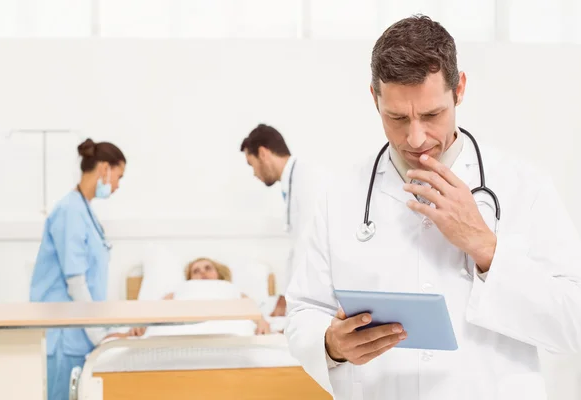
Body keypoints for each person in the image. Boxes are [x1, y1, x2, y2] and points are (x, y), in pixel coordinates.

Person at [284, 15, 581, 400]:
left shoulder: (525, 187)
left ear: (459, 89)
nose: (415, 137)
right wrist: (330, 345)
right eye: (396, 118)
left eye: (431, 115)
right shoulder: (339, 196)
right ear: (374, 98)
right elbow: (302, 311)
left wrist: (485, 248)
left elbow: (573, 320)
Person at [29, 139, 145, 400]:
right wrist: (100, 336)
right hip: (65, 334)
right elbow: (76, 282)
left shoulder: (84, 210)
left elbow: (91, 283)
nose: (117, 185)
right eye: (119, 176)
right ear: (104, 168)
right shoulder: (70, 210)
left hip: (78, 332)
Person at [240, 124, 325, 317]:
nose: (254, 173)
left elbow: (306, 244)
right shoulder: (295, 181)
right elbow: (296, 247)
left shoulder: (308, 179)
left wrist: (288, 299)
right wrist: (283, 294)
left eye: (251, 164)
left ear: (263, 153)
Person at [163, 257, 271, 335]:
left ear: (218, 273)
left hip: (229, 327)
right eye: (196, 271)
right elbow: (158, 310)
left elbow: (252, 310)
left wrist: (262, 322)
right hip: (184, 328)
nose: (202, 272)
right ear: (190, 278)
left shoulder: (231, 288)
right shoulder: (180, 290)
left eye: (208, 268)